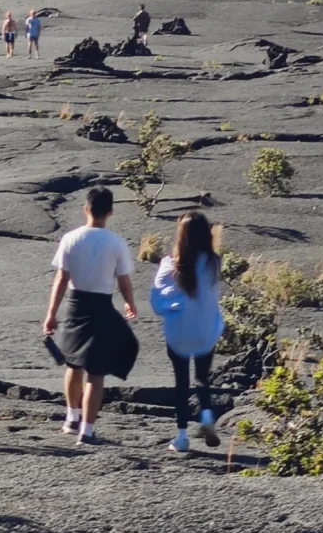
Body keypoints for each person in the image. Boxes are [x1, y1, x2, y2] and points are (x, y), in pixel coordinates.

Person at [44, 186, 138, 445]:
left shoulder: (70, 239)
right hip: (101, 307)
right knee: (96, 373)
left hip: (75, 304)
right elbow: (123, 279)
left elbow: (61, 279)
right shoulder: (116, 242)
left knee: (73, 363)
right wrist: (130, 303)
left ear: (85, 209)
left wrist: (51, 314)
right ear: (110, 212)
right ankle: (87, 430)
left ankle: (71, 419)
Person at [149, 213, 224, 452]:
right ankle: (207, 415)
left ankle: (181, 437)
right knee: (203, 377)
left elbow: (158, 298)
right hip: (206, 330)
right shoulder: (214, 263)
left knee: (181, 382)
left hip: (179, 330)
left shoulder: (171, 265)